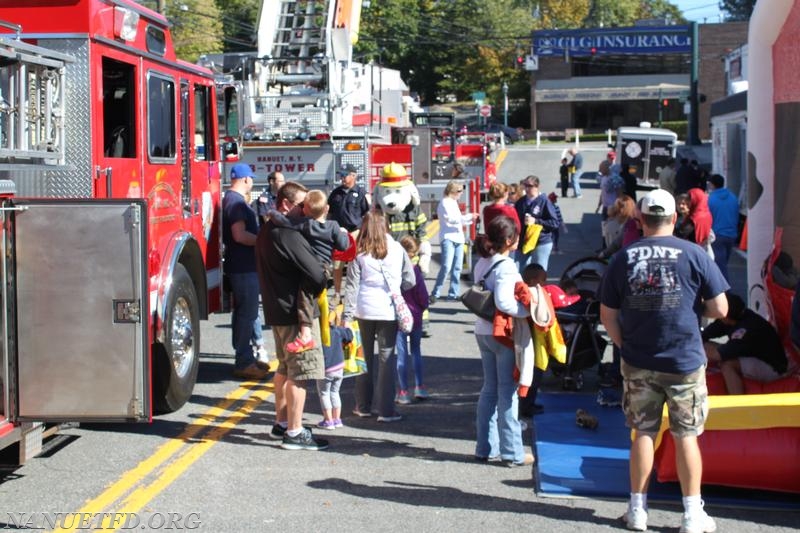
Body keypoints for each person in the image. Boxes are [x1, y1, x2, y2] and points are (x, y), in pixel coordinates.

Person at [599, 188, 729, 533]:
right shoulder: (695, 254)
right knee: (686, 435)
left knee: (643, 432)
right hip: (684, 358)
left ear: (640, 220)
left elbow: (607, 314)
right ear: (675, 218)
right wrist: (692, 309)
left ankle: (638, 510)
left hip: (638, 357)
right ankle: (691, 514)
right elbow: (721, 309)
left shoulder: (623, 258)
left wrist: (624, 343)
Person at [256, 181, 329, 450]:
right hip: (296, 315)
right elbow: (316, 274)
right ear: (286, 204)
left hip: (277, 310)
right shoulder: (287, 233)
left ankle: (283, 423)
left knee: (285, 370)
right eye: (301, 204)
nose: (306, 209)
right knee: (300, 373)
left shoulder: (267, 230)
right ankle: (295, 432)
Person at [473, 215, 535, 467]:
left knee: (489, 389)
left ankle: (485, 448)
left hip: (483, 331)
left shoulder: (483, 262)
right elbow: (504, 302)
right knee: (507, 393)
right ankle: (512, 452)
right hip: (502, 334)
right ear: (509, 240)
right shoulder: (507, 266)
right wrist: (526, 313)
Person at [342, 210, 415, 422]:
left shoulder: (359, 252)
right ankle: (386, 410)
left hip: (363, 309)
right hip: (388, 309)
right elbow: (410, 279)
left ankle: (362, 406)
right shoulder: (397, 248)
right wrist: (396, 287)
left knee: (363, 359)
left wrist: (347, 316)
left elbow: (352, 286)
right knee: (387, 359)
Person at [267, 189, 350, 354]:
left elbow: (285, 222)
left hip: (310, 267)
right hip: (325, 268)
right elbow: (344, 246)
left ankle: (306, 334)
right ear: (326, 208)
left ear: (305, 210)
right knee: (311, 298)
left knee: (304, 297)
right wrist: (344, 233)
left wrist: (271, 213)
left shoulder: (305, 224)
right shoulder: (333, 226)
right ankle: (311, 333)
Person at [222, 163, 269, 380]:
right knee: (247, 315)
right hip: (243, 267)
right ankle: (244, 361)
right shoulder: (237, 203)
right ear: (246, 179)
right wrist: (263, 240)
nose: (252, 182)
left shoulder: (231, 200)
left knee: (244, 314)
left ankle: (246, 357)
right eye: (251, 178)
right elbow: (239, 235)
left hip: (240, 266)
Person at [702, 293, 787, 395]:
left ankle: (737, 404)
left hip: (773, 368)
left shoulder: (747, 328)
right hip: (755, 356)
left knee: (727, 365)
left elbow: (718, 355)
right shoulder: (734, 317)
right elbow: (704, 335)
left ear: (725, 316)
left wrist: (699, 348)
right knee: (706, 347)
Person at [430, 180, 479, 303]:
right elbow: (451, 220)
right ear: (453, 191)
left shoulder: (453, 202)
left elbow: (458, 220)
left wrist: (470, 220)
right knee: (446, 266)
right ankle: (436, 292)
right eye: (459, 191)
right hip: (448, 237)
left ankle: (453, 294)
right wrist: (468, 217)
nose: (461, 193)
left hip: (458, 237)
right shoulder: (445, 203)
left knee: (457, 268)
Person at [395, 235, 430, 404]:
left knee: (401, 354)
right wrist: (421, 308)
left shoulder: (394, 269)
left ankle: (403, 391)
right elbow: (423, 297)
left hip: (398, 317)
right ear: (413, 253)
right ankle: (420, 387)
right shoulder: (415, 271)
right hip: (415, 315)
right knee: (416, 351)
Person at [328, 164, 370, 298]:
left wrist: (365, 234)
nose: (342, 178)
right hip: (339, 233)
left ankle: (353, 292)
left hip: (355, 232)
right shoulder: (336, 193)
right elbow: (329, 213)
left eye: (345, 175)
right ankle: (337, 293)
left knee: (354, 264)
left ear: (354, 176)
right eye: (341, 175)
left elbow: (367, 214)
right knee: (337, 265)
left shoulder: (361, 193)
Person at [518, 262, 547, 418]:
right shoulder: (533, 295)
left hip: (532, 341)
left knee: (532, 375)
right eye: (543, 280)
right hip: (532, 342)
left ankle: (528, 403)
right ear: (533, 281)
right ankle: (527, 406)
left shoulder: (530, 293)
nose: (545, 284)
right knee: (533, 375)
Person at [315, 308, 353, 430]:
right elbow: (350, 335)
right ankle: (337, 419)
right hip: (339, 367)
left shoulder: (318, 334)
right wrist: (345, 324)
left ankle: (328, 420)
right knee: (335, 392)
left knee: (324, 393)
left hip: (326, 368)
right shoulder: (337, 330)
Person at [514, 175, 560, 271]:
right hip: (523, 242)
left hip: (541, 242)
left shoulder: (544, 201)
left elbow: (555, 223)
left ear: (537, 186)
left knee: (538, 272)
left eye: (529, 186)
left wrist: (536, 221)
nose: (526, 188)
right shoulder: (520, 202)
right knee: (519, 271)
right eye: (525, 185)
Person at [706, 174, 739, 282]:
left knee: (720, 266)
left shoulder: (710, 199)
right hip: (731, 235)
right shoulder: (733, 197)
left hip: (717, 235)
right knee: (724, 263)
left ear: (711, 184)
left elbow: (708, 218)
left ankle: (724, 292)